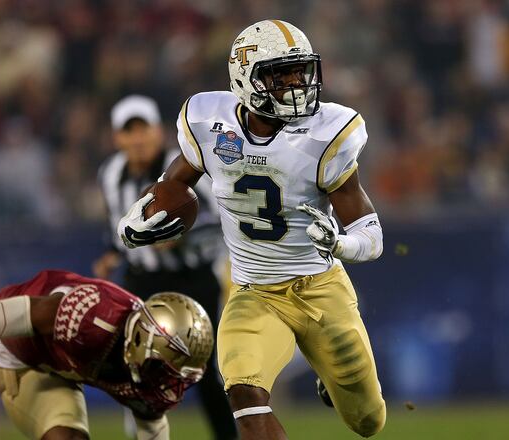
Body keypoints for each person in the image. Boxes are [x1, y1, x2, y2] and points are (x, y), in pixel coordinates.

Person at [117, 19, 386, 439]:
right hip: (253, 291)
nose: (296, 84)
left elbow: (371, 234)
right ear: (246, 78)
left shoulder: (327, 134)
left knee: (368, 421)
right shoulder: (209, 122)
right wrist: (139, 218)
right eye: (280, 74)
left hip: (320, 287)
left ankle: (329, 377)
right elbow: (174, 185)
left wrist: (340, 243)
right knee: (243, 391)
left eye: (301, 71)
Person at [93, 94, 237, 439]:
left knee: (205, 368)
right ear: (118, 138)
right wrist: (112, 253)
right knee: (135, 366)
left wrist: (181, 232)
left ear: (159, 131)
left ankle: (229, 436)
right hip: (142, 280)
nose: (138, 139)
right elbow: (118, 221)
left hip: (194, 277)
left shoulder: (188, 164)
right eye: (130, 132)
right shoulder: (110, 174)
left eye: (144, 129)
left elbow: (224, 218)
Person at [0, 269, 213, 440]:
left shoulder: (149, 379)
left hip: (41, 372)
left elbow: (152, 432)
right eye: (164, 371)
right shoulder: (96, 316)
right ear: (140, 341)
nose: (170, 385)